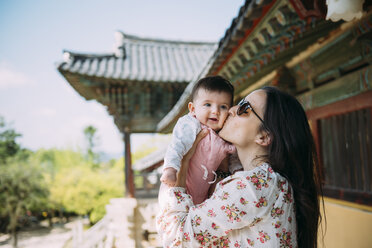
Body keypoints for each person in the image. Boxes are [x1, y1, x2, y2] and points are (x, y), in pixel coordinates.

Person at [156, 86, 323, 248]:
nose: (230, 110)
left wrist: (183, 163)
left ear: (264, 136)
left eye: (245, 108)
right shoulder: (270, 182)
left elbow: (177, 238)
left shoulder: (253, 185)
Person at [160, 76, 241, 204]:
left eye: (223, 107)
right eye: (207, 104)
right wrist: (170, 169)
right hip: (176, 190)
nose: (215, 111)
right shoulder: (191, 124)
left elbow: (234, 157)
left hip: (202, 197)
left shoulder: (225, 136)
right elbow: (177, 145)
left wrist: (239, 173)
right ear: (193, 109)